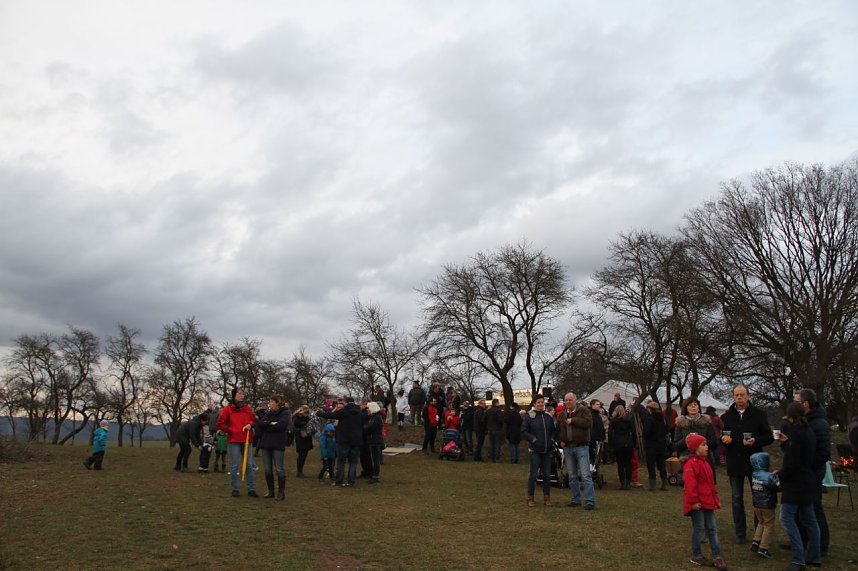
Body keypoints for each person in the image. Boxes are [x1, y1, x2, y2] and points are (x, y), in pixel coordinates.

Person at [720, 384, 773, 544]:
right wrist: (724, 440)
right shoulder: (727, 416)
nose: (739, 398)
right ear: (733, 397)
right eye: (736, 395)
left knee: (759, 498)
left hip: (754, 463)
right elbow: (723, 436)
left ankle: (759, 532)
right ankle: (740, 533)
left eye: (742, 395)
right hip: (735, 461)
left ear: (748, 396)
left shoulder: (758, 414)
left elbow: (769, 437)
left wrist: (755, 440)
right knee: (737, 498)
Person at [776, 401, 821, 570]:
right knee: (809, 519)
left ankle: (798, 559)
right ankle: (814, 556)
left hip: (796, 484)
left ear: (790, 416)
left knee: (786, 517)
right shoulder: (808, 431)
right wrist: (786, 444)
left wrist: (780, 474)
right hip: (807, 479)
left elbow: (793, 462)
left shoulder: (796, 433)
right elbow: (800, 454)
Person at [683, 433, 728, 571]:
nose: (707, 447)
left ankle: (717, 556)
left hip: (708, 501)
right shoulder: (691, 464)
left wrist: (715, 499)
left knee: (712, 528)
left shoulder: (706, 463)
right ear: (695, 448)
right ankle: (696, 554)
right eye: (703, 445)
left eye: (706, 444)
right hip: (698, 503)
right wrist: (693, 501)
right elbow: (690, 485)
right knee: (699, 528)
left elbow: (710, 484)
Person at [793, 388, 830, 556]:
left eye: (796, 402)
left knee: (814, 508)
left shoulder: (819, 424)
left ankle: (821, 544)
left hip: (812, 473)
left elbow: (823, 453)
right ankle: (802, 540)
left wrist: (807, 467)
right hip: (801, 472)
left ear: (805, 404)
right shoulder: (803, 421)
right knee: (799, 509)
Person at [217, 388, 258, 498]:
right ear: (234, 395)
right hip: (234, 440)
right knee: (235, 465)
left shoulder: (247, 408)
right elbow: (220, 423)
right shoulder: (228, 409)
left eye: (243, 394)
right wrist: (230, 430)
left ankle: (251, 489)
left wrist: (250, 424)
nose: (242, 395)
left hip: (247, 439)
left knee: (249, 464)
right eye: (240, 393)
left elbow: (254, 420)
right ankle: (235, 489)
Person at [557, 392, 595, 509]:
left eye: (570, 400)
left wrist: (573, 420)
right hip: (568, 448)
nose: (568, 402)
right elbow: (559, 429)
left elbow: (588, 423)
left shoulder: (583, 411)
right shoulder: (562, 414)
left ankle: (590, 501)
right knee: (572, 475)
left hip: (581, 446)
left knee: (585, 474)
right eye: (566, 400)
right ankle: (576, 499)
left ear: (575, 400)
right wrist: (560, 440)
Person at [318, 396, 362, 487]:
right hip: (356, 440)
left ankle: (339, 481)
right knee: (353, 462)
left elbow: (331, 415)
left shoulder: (344, 411)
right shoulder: (359, 412)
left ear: (346, 402)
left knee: (341, 461)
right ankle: (351, 481)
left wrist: (320, 413)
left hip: (344, 439)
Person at [522, 395, 556, 507]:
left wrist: (551, 440)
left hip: (547, 450)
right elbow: (524, 431)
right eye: (538, 402)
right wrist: (533, 439)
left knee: (547, 475)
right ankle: (530, 498)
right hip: (535, 450)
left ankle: (547, 498)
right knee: (533, 475)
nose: (541, 404)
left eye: (542, 402)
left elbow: (553, 431)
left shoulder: (548, 416)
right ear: (534, 404)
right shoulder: (529, 416)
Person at [257, 395, 290, 500]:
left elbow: (281, 426)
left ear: (277, 403)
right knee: (267, 469)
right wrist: (270, 424)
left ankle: (281, 492)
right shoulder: (268, 413)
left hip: (278, 443)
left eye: (271, 402)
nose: (269, 404)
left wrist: (267, 425)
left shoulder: (285, 413)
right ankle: (270, 491)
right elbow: (261, 424)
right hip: (266, 443)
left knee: (279, 468)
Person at [749, 452, 777, 559]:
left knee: (761, 522)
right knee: (768, 524)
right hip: (767, 504)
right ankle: (764, 548)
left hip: (756, 504)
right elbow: (777, 486)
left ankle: (756, 541)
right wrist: (775, 476)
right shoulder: (769, 476)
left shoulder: (754, 474)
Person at [642, 401, 669, 491]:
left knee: (651, 465)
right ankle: (664, 483)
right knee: (661, 465)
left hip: (651, 444)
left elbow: (646, 431)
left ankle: (652, 485)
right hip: (661, 444)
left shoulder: (649, 419)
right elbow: (667, 430)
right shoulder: (663, 419)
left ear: (650, 409)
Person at [608, 405, 635, 490]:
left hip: (618, 443)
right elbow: (633, 432)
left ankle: (623, 482)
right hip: (628, 442)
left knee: (620, 464)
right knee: (628, 464)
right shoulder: (628, 420)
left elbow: (610, 434)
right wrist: (634, 443)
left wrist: (611, 445)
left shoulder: (613, 421)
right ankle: (628, 482)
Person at [292, 405, 314, 479]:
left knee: (304, 455)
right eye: (305, 409)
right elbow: (296, 424)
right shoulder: (297, 417)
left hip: (307, 437)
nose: (306, 410)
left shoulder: (308, 417)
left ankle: (301, 471)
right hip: (301, 437)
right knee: (301, 455)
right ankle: (299, 472)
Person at [364, 401, 384, 483]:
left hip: (375, 440)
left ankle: (376, 476)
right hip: (373, 439)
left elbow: (371, 428)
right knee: (374, 458)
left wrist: (366, 427)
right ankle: (374, 475)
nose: (367, 410)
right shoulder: (373, 417)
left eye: (368, 408)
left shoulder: (377, 418)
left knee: (376, 459)